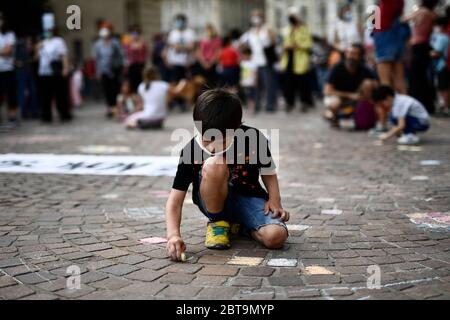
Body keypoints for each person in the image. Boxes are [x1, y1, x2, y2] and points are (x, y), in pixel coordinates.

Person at [165, 89, 289, 260]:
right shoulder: (191, 151)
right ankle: (219, 223)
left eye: (221, 140)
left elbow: (268, 171)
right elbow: (174, 201)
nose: (212, 148)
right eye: (207, 139)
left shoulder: (252, 138)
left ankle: (242, 226)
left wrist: (275, 199)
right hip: (213, 201)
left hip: (249, 198)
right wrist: (173, 236)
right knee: (215, 162)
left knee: (276, 237)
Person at [323, 44, 377, 126]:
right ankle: (335, 117)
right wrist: (350, 95)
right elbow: (327, 91)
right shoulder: (337, 67)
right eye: (348, 53)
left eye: (354, 54)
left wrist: (366, 92)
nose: (350, 56)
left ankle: (365, 115)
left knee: (368, 83)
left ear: (360, 56)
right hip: (341, 97)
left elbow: (377, 84)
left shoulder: (364, 68)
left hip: (358, 97)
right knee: (334, 103)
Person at [403, 0, 439, 114]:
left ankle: (419, 105)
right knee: (422, 78)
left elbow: (405, 19)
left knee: (416, 78)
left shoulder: (422, 12)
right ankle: (427, 105)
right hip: (424, 46)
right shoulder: (432, 14)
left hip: (418, 47)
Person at [240, 10, 278, 112]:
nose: (256, 19)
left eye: (258, 16)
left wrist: (267, 32)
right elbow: (242, 43)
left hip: (265, 62)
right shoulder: (250, 32)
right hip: (254, 63)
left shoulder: (266, 30)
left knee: (268, 85)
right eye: (254, 16)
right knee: (256, 85)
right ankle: (256, 104)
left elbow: (272, 42)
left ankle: (270, 105)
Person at [280, 7, 314, 113]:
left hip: (300, 60)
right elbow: (284, 43)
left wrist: (297, 45)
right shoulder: (286, 30)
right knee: (289, 83)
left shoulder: (304, 29)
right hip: (289, 60)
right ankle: (289, 103)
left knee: (302, 83)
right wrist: (286, 46)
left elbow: (309, 44)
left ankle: (304, 102)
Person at [36, 28, 72, 123]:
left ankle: (64, 114)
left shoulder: (58, 41)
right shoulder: (42, 42)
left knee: (60, 94)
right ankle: (46, 116)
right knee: (45, 95)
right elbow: (36, 58)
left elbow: (64, 55)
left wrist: (65, 68)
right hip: (44, 72)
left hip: (55, 72)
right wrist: (37, 48)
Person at [372, 0, 408, 93]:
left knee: (385, 82)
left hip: (385, 35)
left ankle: (390, 106)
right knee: (400, 81)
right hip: (396, 36)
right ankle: (403, 105)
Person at [94, 22, 125, 118]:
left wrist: (123, 65)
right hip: (104, 71)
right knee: (106, 90)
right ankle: (110, 108)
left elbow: (121, 55)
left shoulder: (115, 42)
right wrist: (98, 71)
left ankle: (116, 108)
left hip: (115, 70)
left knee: (115, 90)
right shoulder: (98, 44)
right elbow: (97, 58)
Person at [0, 12, 19, 128]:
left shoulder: (9, 35)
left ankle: (12, 118)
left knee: (11, 94)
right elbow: (4, 51)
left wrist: (5, 51)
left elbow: (8, 51)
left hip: (7, 69)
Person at [166, 14, 196, 84]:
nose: (179, 23)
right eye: (178, 20)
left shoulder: (190, 32)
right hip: (176, 63)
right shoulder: (173, 33)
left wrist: (180, 47)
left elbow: (191, 47)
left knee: (188, 83)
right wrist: (185, 47)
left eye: (181, 20)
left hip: (188, 63)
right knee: (176, 82)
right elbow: (172, 46)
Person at [430, 16, 450, 116]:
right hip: (445, 64)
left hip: (442, 65)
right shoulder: (446, 36)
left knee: (443, 87)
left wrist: (428, 53)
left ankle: (446, 108)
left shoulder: (442, 37)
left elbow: (437, 52)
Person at [124, 25, 148, 93]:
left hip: (140, 65)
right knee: (132, 83)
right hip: (131, 66)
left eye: (136, 33)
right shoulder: (127, 44)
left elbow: (146, 54)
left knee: (140, 82)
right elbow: (125, 54)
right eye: (133, 33)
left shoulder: (143, 43)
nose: (134, 35)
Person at [240, 47, 258, 113]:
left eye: (246, 55)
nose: (245, 56)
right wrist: (241, 80)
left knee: (252, 95)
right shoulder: (242, 63)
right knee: (247, 95)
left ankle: (252, 108)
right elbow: (242, 72)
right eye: (244, 55)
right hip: (245, 82)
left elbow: (256, 73)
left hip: (251, 82)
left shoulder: (253, 63)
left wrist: (255, 81)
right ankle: (249, 107)